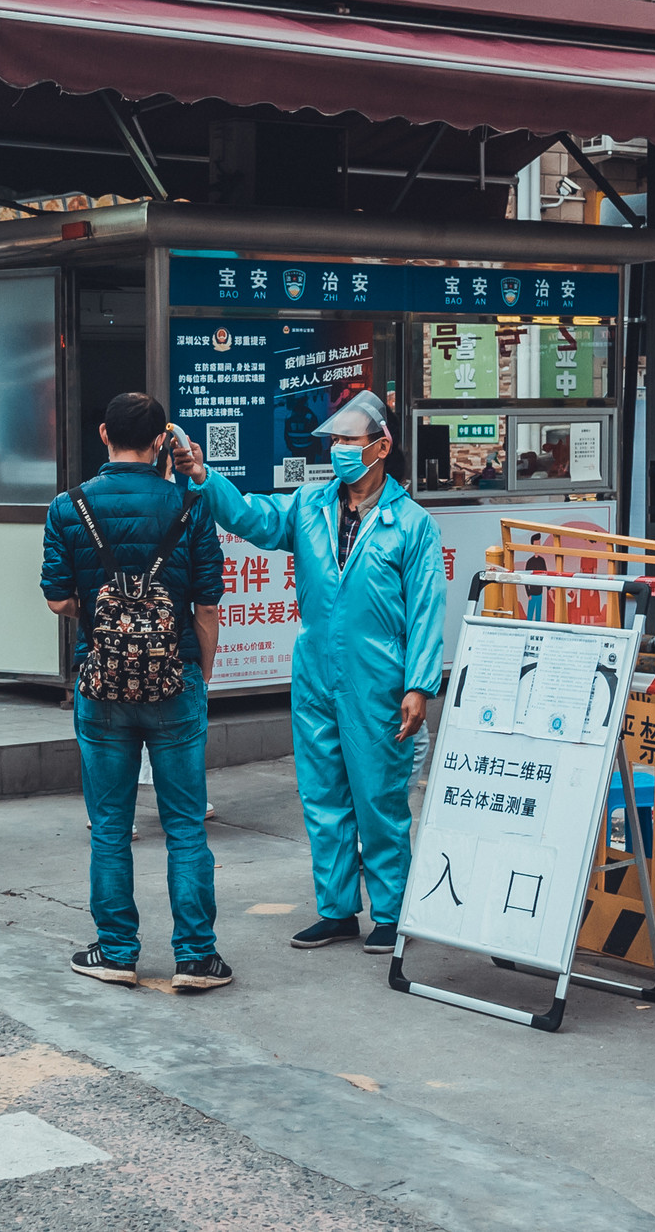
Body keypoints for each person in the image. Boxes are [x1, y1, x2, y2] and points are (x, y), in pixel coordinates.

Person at [174, 389, 445, 955]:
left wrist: (420, 685)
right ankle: (337, 910)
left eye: (350, 440)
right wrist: (204, 476)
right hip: (316, 673)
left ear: (381, 447)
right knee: (323, 797)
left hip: (380, 679)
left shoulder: (412, 525)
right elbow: (251, 516)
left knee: (380, 801)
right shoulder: (310, 506)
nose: (340, 449)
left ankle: (391, 914)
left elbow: (425, 610)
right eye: (337, 441)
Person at [42, 391, 231, 992]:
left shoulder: (69, 507)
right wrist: (196, 669)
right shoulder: (189, 505)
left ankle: (117, 950)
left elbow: (56, 597)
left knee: (110, 825)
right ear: (161, 443)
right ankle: (197, 957)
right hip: (175, 681)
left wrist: (106, 623)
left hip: (101, 687)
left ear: (102, 434)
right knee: (183, 826)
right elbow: (206, 605)